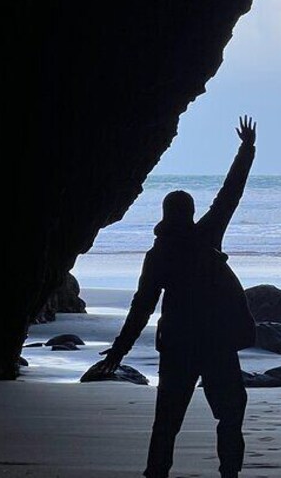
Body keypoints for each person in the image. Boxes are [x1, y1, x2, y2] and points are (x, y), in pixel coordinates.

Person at [96, 116, 258, 478]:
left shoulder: (160, 255)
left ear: (165, 215)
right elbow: (231, 194)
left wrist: (120, 350)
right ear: (191, 214)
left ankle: (156, 474)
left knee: (166, 423)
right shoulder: (206, 236)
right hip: (216, 343)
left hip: (178, 346)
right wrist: (247, 150)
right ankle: (229, 473)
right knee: (230, 417)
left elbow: (142, 307)